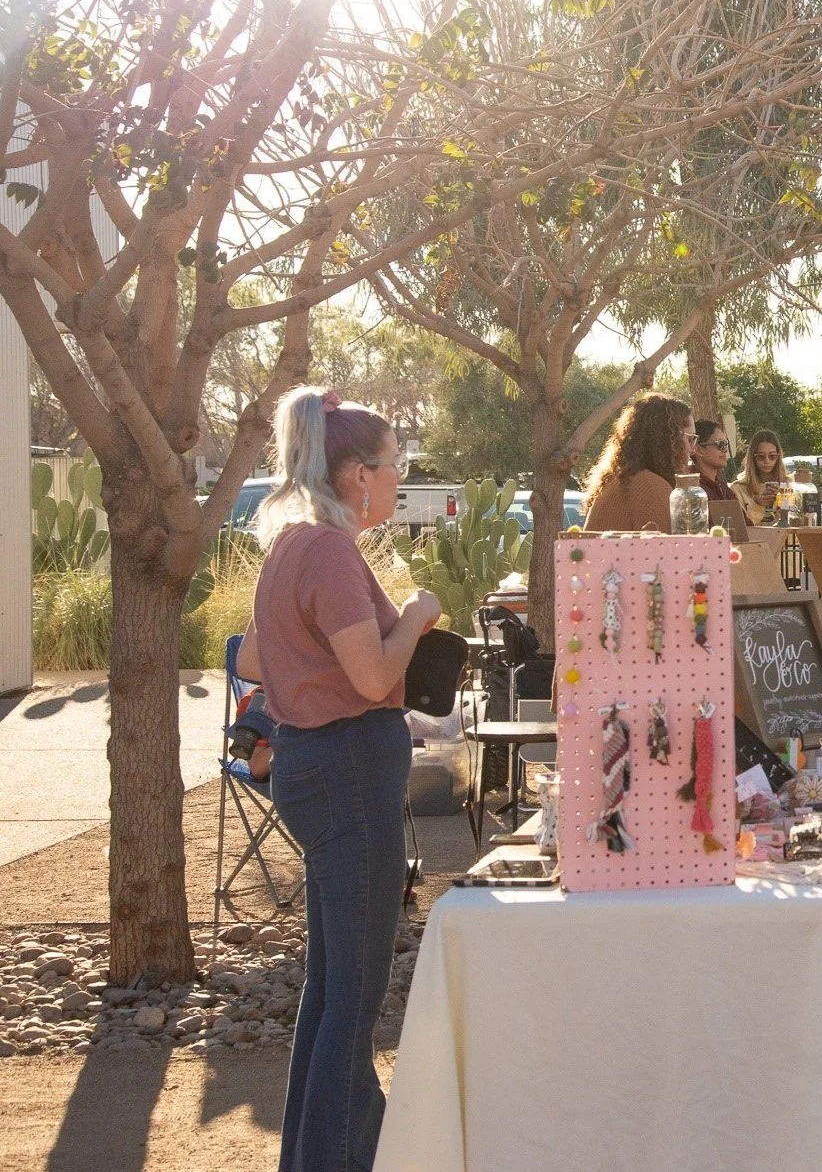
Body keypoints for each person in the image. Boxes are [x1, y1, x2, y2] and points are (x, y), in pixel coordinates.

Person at [236, 388, 442, 1172]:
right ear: (357, 474)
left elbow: (254, 656)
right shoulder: (324, 549)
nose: (397, 479)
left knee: (331, 994)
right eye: (394, 466)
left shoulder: (292, 543)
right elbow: (370, 674)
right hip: (350, 769)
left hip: (317, 765)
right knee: (350, 1002)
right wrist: (416, 613)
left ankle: (317, 1156)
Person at [582, 394, 696, 532]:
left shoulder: (621, 480)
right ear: (669, 440)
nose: (692, 449)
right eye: (690, 439)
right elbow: (675, 550)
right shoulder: (650, 486)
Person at [733, 429, 786, 525]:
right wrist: (757, 504)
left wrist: (782, 500)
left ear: (779, 457)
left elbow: (795, 523)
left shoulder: (788, 485)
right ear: (753, 458)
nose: (767, 461)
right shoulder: (738, 488)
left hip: (782, 539)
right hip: (754, 539)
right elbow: (740, 526)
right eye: (761, 457)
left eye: (772, 456)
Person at [691, 419, 739, 503]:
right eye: (720, 444)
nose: (725, 450)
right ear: (699, 450)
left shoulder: (723, 488)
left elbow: (741, 516)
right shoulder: (693, 490)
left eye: (725, 444)